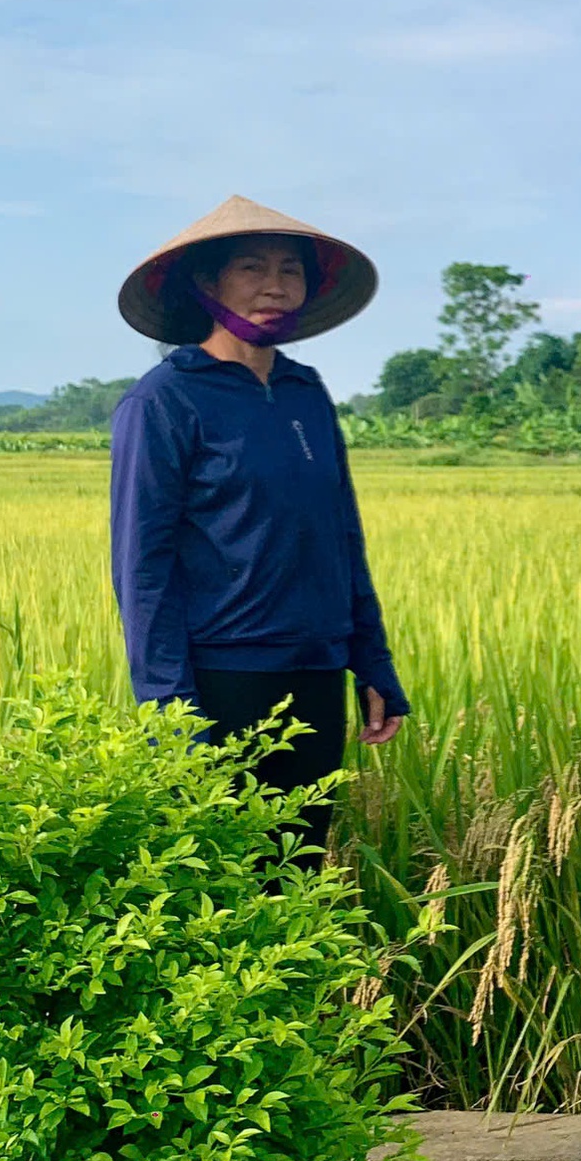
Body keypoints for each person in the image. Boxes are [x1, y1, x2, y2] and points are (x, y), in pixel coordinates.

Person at [109, 195, 408, 872]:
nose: (276, 285)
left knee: (299, 879)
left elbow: (342, 539)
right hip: (223, 683)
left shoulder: (306, 392)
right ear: (206, 284)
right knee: (226, 891)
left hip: (316, 680)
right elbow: (141, 569)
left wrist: (373, 661)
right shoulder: (164, 401)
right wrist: (170, 715)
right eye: (252, 267)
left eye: (290, 270)